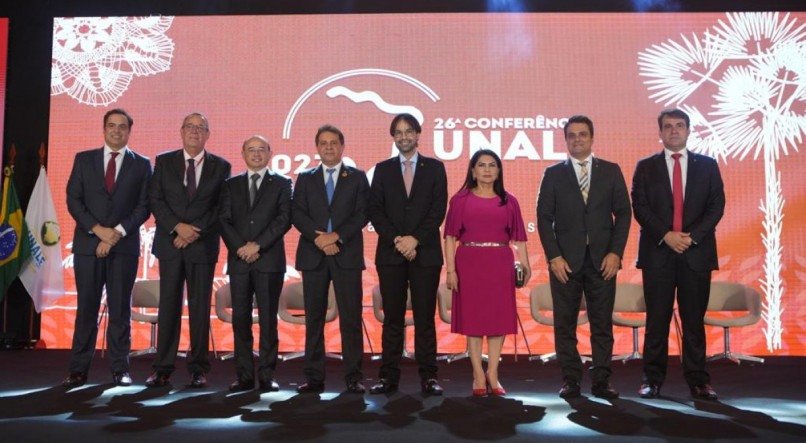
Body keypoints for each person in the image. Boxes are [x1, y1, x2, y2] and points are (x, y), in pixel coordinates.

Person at [632, 108, 725, 401]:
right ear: (660, 132)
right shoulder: (645, 167)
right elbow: (640, 206)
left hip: (695, 254)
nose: (674, 131)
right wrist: (666, 235)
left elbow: (716, 206)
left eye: (679, 126)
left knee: (693, 322)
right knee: (656, 322)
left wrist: (692, 238)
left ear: (688, 130)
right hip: (658, 253)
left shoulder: (708, 166)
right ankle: (652, 380)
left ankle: (699, 381)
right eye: (668, 126)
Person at [536, 115, 631, 399]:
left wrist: (616, 253)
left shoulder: (611, 171)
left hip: (603, 262)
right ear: (566, 140)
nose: (577, 139)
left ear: (592, 138)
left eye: (582, 134)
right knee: (565, 324)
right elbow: (543, 218)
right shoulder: (553, 174)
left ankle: (601, 380)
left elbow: (624, 214)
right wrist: (554, 257)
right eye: (572, 135)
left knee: (602, 323)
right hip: (565, 262)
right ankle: (571, 380)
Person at [63, 108, 152, 388]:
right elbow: (74, 200)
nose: (116, 130)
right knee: (86, 309)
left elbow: (144, 207)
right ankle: (78, 369)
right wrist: (98, 230)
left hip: (123, 247)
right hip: (88, 246)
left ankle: (120, 369)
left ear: (129, 131)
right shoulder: (84, 159)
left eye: (122, 126)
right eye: (111, 126)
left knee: (120, 311)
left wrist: (116, 233)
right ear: (104, 129)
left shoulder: (142, 164)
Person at [146, 112, 231, 388]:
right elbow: (156, 200)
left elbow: (220, 208)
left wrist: (192, 231)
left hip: (202, 246)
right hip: (171, 244)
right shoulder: (164, 161)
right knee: (168, 305)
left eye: (201, 128)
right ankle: (163, 368)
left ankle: (197, 368)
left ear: (208, 134)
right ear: (181, 132)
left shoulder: (221, 166)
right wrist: (176, 228)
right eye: (190, 127)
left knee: (199, 307)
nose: (195, 131)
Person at [368, 113, 448, 396]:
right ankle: (388, 377)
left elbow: (438, 210)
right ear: (393, 137)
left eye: (409, 131)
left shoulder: (435, 168)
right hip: (391, 254)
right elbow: (375, 210)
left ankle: (429, 377)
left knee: (425, 318)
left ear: (418, 134)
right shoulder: (382, 169)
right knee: (393, 318)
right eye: (398, 132)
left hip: (425, 253)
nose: (404, 136)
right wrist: (398, 240)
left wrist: (415, 239)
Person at [444, 149, 531, 397]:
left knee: (497, 321)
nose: (487, 169)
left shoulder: (509, 201)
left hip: (500, 264)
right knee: (473, 323)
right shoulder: (460, 200)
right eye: (481, 165)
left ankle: (493, 373)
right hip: (469, 264)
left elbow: (520, 239)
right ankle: (477, 375)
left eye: (492, 165)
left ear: (499, 170)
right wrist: (451, 270)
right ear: (472, 170)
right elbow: (450, 238)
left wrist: (525, 265)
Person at [292, 125, 369, 394]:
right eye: (323, 143)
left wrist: (336, 236)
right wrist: (320, 240)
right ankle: (314, 377)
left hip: (345, 254)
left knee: (350, 317)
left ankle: (353, 377)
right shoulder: (304, 178)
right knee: (314, 319)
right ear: (316, 147)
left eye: (333, 142)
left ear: (342, 146)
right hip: (313, 255)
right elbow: (297, 214)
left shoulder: (357, 178)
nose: (328, 147)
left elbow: (362, 214)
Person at [219, 135, 292, 392]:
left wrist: (257, 245)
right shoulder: (231, 185)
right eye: (251, 149)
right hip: (239, 261)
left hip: (268, 260)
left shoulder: (283, 183)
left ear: (270, 153)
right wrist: (241, 247)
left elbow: (283, 220)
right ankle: (244, 375)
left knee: (268, 320)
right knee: (241, 319)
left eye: (262, 149)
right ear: (243, 153)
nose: (257, 154)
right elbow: (224, 220)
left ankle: (267, 374)